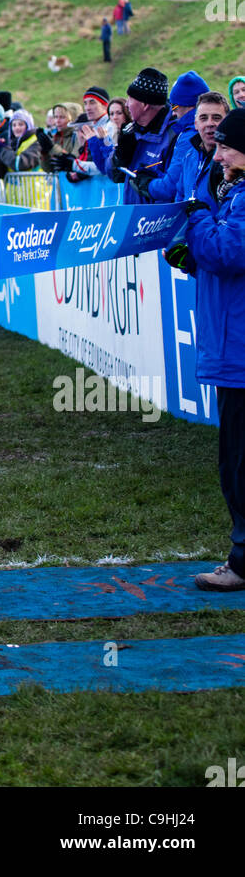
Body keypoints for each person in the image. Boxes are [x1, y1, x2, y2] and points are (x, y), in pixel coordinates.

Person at [182, 109, 245, 591]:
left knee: (239, 465)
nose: (217, 153)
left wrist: (198, 218)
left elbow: (228, 252)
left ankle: (243, 563)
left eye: (226, 146)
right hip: (233, 351)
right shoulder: (235, 192)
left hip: (240, 356)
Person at [141, 91, 228, 207]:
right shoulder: (189, 156)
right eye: (203, 118)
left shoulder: (232, 161)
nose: (210, 123)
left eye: (216, 118)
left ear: (227, 121)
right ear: (196, 124)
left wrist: (198, 214)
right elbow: (180, 198)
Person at [106, 67, 177, 205]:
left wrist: (148, 183)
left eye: (130, 99)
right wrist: (119, 156)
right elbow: (114, 176)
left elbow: (174, 186)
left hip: (154, 222)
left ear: (144, 105)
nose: (126, 104)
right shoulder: (132, 131)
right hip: (132, 216)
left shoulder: (173, 135)